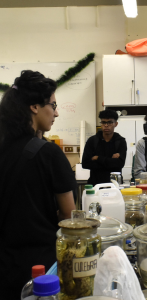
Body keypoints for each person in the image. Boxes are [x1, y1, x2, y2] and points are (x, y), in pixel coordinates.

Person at [0, 70, 76, 299]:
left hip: (4, 267)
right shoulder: (49, 154)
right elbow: (70, 218)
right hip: (41, 273)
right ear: (35, 106)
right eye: (53, 105)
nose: (57, 113)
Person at [82, 109, 127, 185]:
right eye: (103, 122)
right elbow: (85, 163)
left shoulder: (120, 141)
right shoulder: (92, 141)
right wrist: (111, 162)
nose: (106, 125)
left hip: (114, 185)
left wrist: (98, 158)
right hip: (95, 184)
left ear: (116, 124)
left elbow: (120, 164)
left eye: (109, 122)